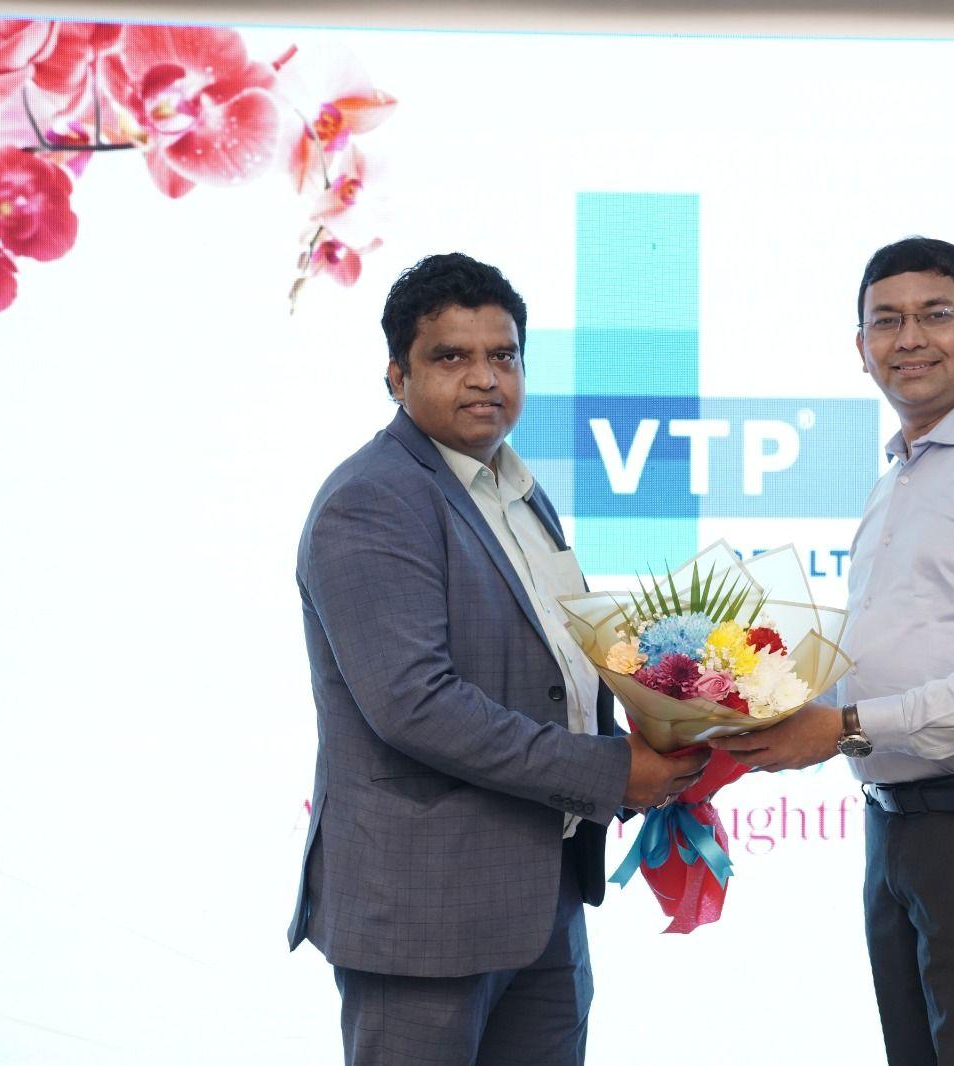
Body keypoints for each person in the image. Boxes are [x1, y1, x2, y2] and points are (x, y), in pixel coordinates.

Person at [287, 252, 707, 1066]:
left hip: (542, 893)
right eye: (451, 357)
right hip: (425, 914)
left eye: (503, 356)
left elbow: (552, 665)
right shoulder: (372, 500)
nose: (484, 378)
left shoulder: (514, 487)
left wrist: (675, 724)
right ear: (396, 376)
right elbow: (417, 706)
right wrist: (611, 772)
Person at [712, 237, 954, 1066]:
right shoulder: (896, 477)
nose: (910, 338)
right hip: (897, 828)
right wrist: (740, 713)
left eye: (936, 315)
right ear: (861, 349)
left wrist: (846, 727)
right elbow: (890, 652)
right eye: (886, 321)